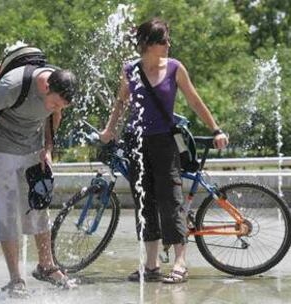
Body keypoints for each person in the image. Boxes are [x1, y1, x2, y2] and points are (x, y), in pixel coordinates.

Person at [100, 18, 229, 284]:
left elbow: (194, 100)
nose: (168, 44)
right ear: (148, 44)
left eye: (168, 39)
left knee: (170, 200)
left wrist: (216, 129)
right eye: (163, 40)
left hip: (165, 142)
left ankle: (180, 262)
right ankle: (151, 264)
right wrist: (109, 130)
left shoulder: (174, 68)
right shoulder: (129, 70)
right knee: (144, 202)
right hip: (136, 143)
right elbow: (121, 103)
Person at [0, 59, 78, 294]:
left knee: (39, 202)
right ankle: (16, 279)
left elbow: (54, 117)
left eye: (62, 105)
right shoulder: (13, 86)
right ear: (46, 87)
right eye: (55, 102)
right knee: (6, 209)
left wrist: (47, 149)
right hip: (0, 146)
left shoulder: (56, 96)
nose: (57, 107)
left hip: (31, 147)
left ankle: (46, 265)